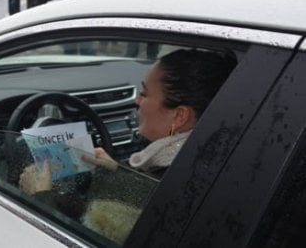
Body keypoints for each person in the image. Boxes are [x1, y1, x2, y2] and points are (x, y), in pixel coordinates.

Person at [20, 48, 236, 188]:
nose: (137, 101)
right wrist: (115, 170)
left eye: (145, 93)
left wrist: (40, 195)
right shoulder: (206, 159)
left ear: (178, 116)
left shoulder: (176, 181)